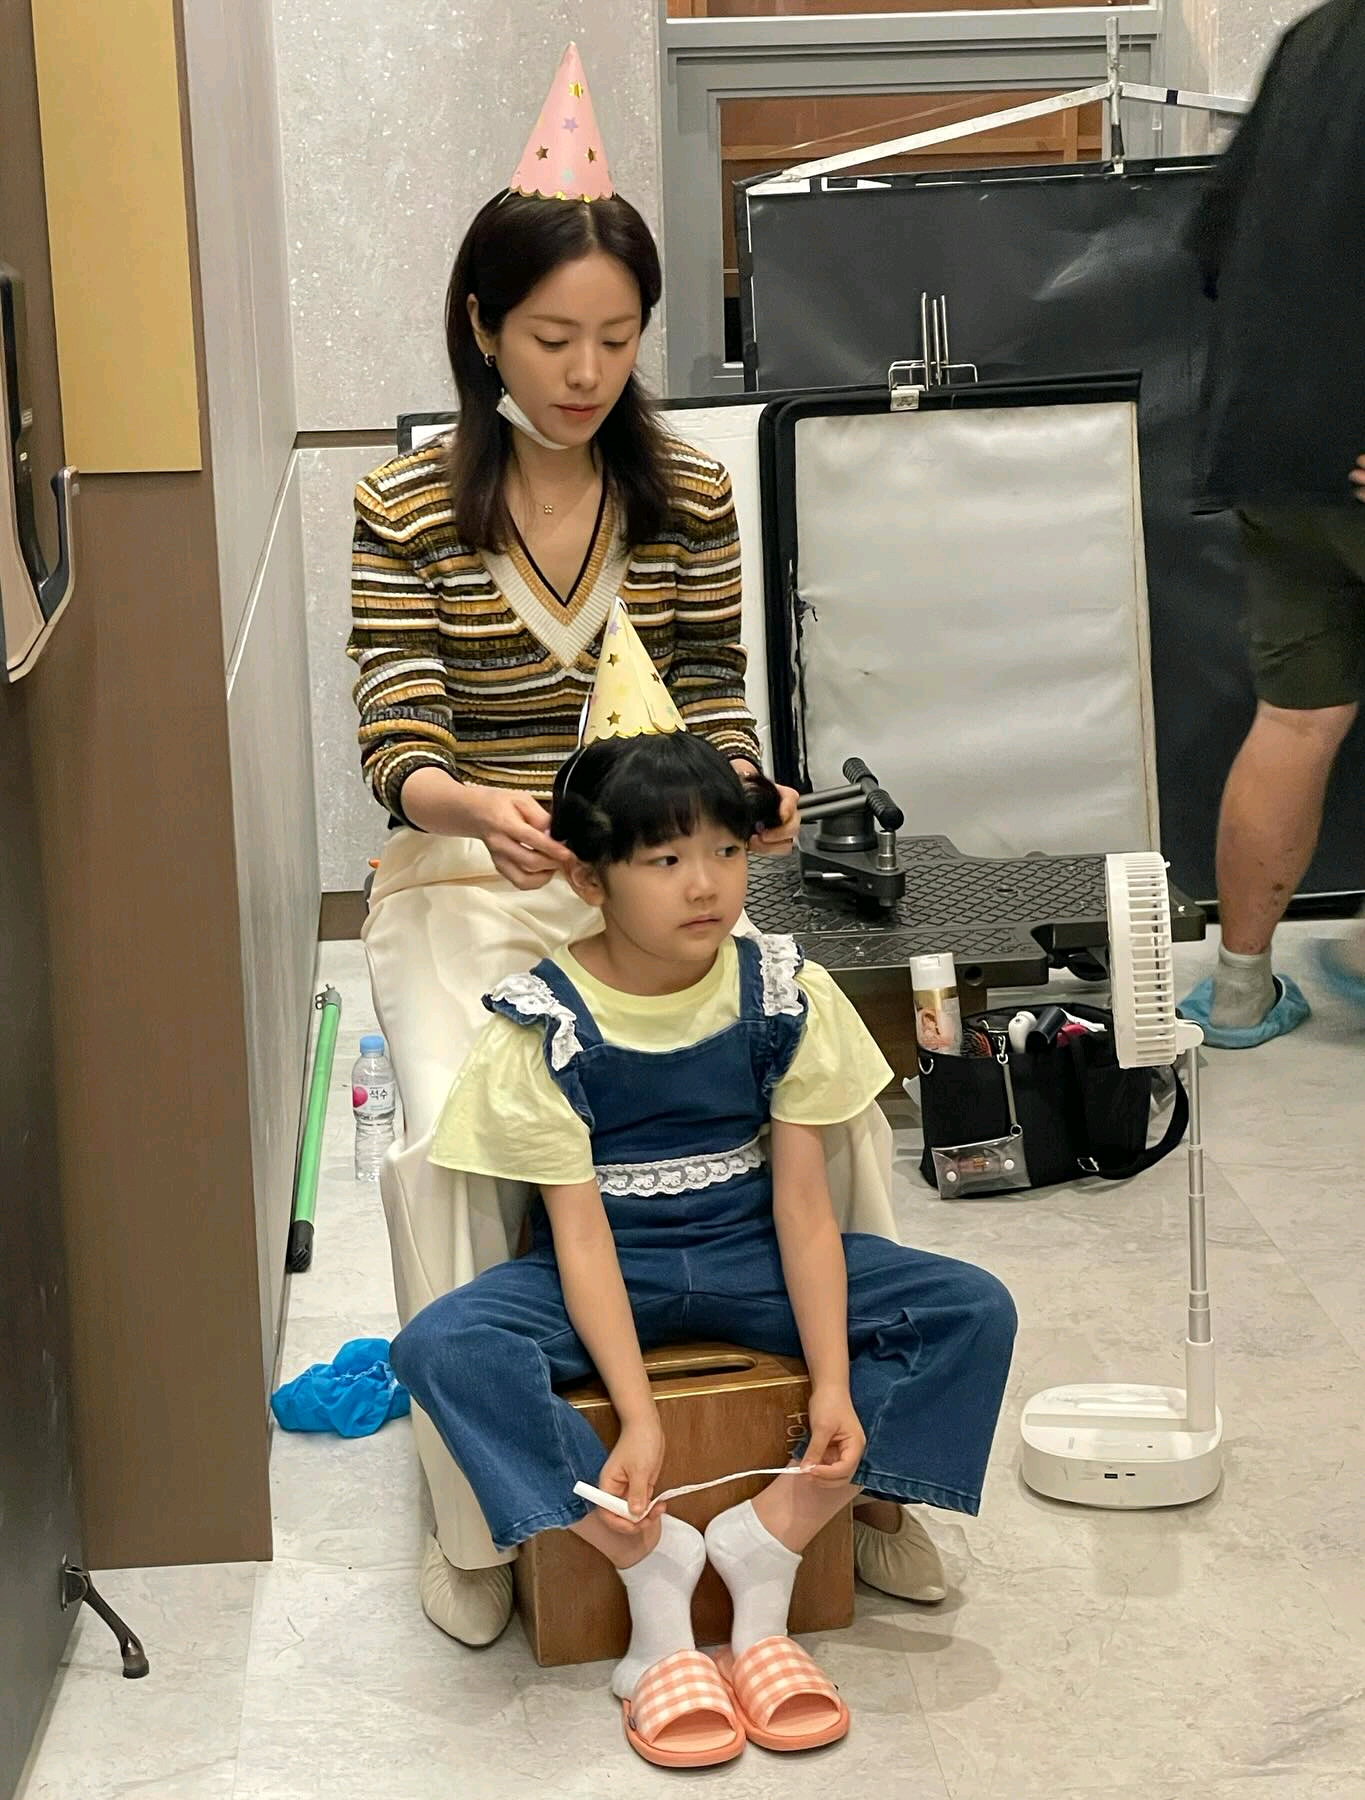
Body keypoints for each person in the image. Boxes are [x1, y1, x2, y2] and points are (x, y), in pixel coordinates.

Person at [348, 44, 937, 1648]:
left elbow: (718, 694)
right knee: (445, 1153)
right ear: (484, 328)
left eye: (616, 339)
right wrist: (476, 807)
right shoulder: (406, 505)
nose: (587, 370)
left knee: (836, 1107)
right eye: (554, 338)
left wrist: (744, 790)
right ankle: (487, 1526)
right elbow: (396, 734)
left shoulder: (683, 490)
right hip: (472, 887)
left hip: (657, 881)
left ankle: (870, 1484)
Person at [389, 722, 1017, 1767]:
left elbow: (805, 1212)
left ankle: (776, 1537)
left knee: (971, 1309)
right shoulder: (542, 1021)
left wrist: (832, 1386)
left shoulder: (784, 989)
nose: (705, 885)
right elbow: (579, 1237)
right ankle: (646, 1561)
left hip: (751, 1253)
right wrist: (636, 1419)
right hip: (604, 1269)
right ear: (590, 879)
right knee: (441, 1348)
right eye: (665, 859)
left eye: (726, 851)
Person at [1180, 0, 1365, 1048]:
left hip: (1268, 440)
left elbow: (1211, 240)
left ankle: (1240, 989)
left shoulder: (1315, 37)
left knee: (1296, 716)